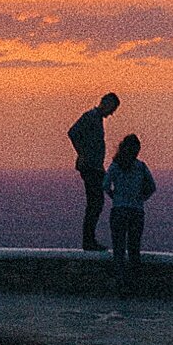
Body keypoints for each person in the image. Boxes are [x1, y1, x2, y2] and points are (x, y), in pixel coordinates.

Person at [103, 134, 156, 295]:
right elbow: (152, 187)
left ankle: (120, 284)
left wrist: (116, 197)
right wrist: (141, 198)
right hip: (136, 212)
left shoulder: (115, 166)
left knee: (119, 250)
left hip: (119, 211)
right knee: (134, 249)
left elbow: (105, 185)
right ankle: (134, 285)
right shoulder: (140, 167)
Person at [68, 92, 120, 251]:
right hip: (90, 167)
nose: (112, 113)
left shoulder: (96, 118)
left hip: (95, 167)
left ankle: (90, 240)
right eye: (112, 108)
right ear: (105, 103)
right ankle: (88, 241)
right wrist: (82, 153)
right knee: (95, 204)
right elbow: (73, 132)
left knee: (96, 203)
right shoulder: (90, 116)